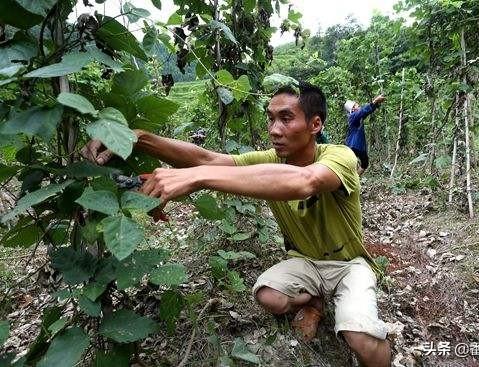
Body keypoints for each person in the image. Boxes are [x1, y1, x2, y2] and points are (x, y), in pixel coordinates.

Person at [82, 82, 391, 367]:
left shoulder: (341, 156)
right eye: (270, 119)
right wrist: (137, 137)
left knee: (360, 338)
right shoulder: (270, 159)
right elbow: (208, 159)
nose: (274, 129)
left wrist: (196, 178)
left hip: (349, 264)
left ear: (315, 125)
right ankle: (317, 301)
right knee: (268, 295)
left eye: (286, 119)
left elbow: (305, 181)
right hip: (306, 262)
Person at [344, 96, 385, 175]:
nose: (359, 105)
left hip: (359, 146)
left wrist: (376, 104)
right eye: (356, 105)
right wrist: (374, 101)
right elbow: (363, 111)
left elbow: (366, 112)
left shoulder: (359, 117)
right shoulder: (352, 116)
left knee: (365, 163)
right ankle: (351, 181)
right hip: (353, 146)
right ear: (352, 109)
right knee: (353, 165)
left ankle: (355, 180)